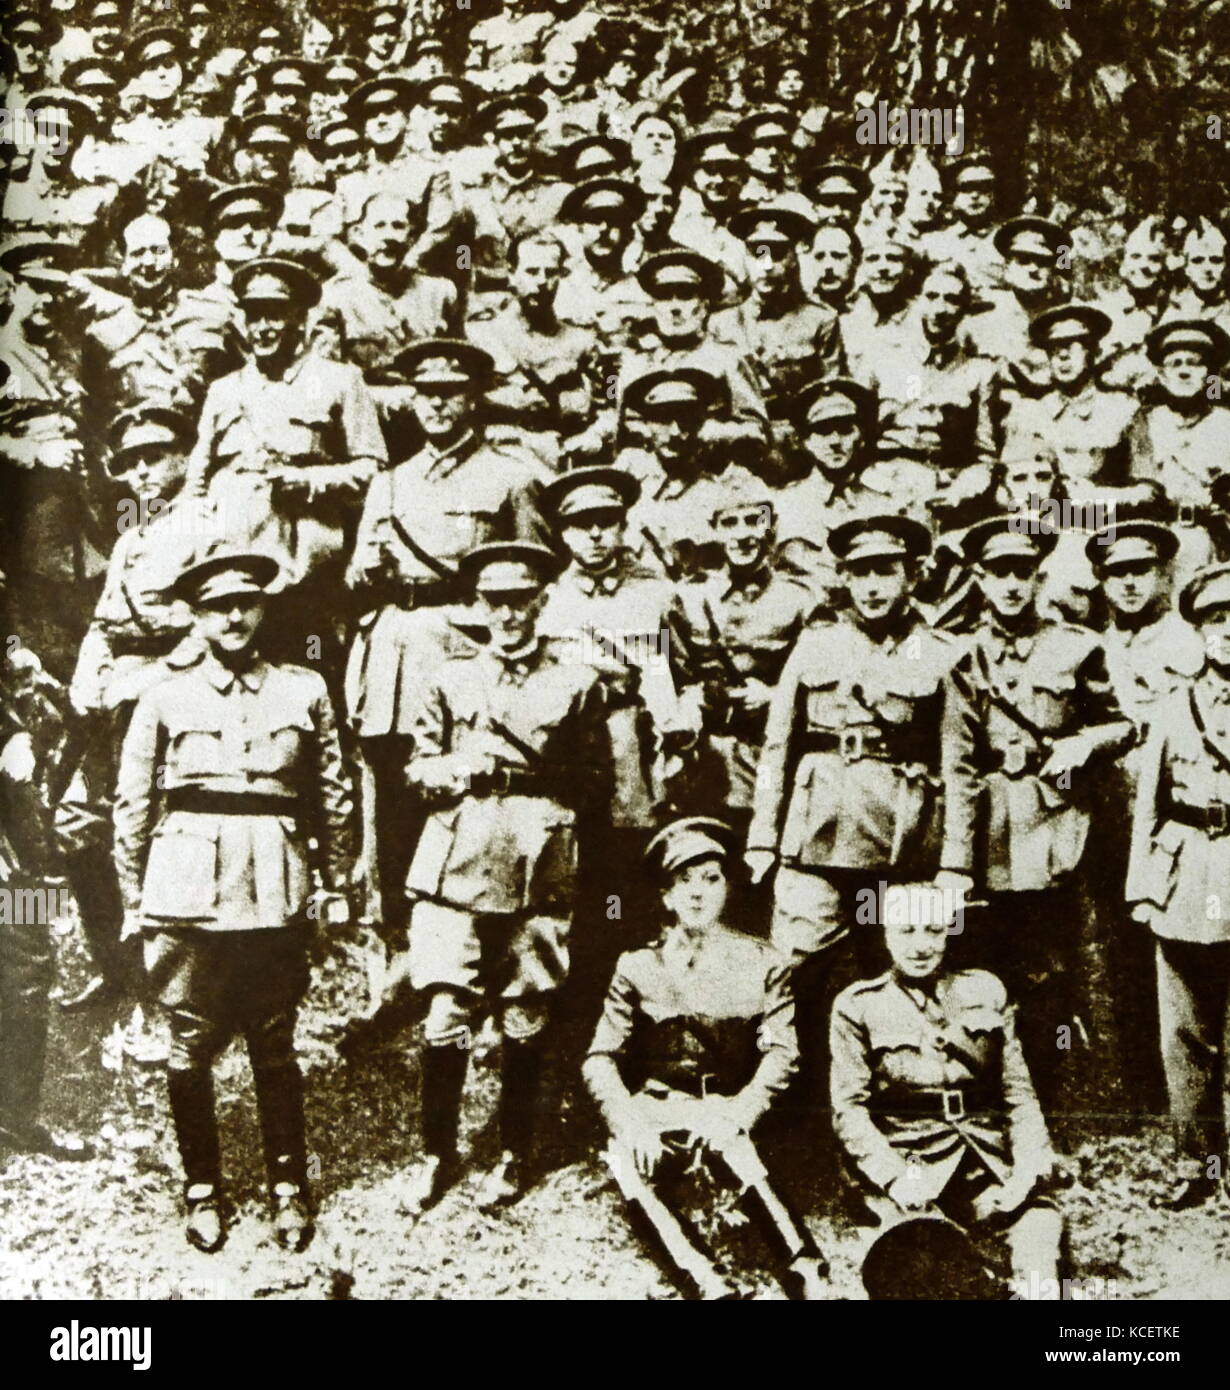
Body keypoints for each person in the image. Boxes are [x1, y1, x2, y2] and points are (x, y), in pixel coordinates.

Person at [112, 545, 356, 1252]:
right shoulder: (162, 694)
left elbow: (333, 798)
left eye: (246, 603)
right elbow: (130, 804)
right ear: (196, 615)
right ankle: (202, 1188)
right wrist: (133, 897)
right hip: (184, 886)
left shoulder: (303, 688)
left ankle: (288, 1187)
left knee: (274, 1043)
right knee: (187, 1048)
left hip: (275, 884)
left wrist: (335, 885)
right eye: (218, 607)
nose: (234, 617)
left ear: (262, 608)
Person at [399, 542, 612, 1215]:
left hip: (536, 862)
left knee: (525, 1015)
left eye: (522, 599)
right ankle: (436, 1154)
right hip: (457, 859)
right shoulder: (450, 676)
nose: (509, 613)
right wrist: (446, 773)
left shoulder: (577, 682)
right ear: (477, 605)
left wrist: (543, 799)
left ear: (542, 602)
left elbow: (598, 780)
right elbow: (416, 764)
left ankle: (514, 1151)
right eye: (495, 600)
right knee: (443, 1017)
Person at [584, 816, 827, 1300]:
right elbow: (599, 1057)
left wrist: (740, 1112)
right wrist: (628, 1120)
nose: (697, 893)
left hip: (724, 1104)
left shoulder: (764, 962)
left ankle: (806, 1271)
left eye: (711, 879)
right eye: (683, 880)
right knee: (625, 1162)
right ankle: (706, 1283)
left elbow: (782, 1051)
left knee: (737, 1151)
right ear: (665, 896)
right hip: (656, 1106)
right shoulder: (637, 966)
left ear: (728, 888)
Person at [943, 513, 1133, 1107]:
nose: (1010, 585)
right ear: (978, 578)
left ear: (1038, 574)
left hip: (1055, 829)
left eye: (1022, 571)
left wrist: (1082, 743)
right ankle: (989, 1093)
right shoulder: (962, 656)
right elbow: (957, 762)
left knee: (1053, 970)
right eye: (997, 573)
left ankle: (1051, 1095)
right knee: (982, 965)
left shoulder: (1077, 645)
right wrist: (956, 860)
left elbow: (1122, 723)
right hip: (988, 832)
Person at [830, 882, 1064, 1299]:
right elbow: (849, 1109)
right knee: (920, 1255)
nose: (920, 945)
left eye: (933, 930)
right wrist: (895, 1178)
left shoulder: (984, 990)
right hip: (910, 1161)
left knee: (1039, 1231)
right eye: (906, 930)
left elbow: (1018, 1092)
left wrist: (1029, 1163)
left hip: (984, 1158)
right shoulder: (857, 1006)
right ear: (885, 932)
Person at [1127, 562, 1230, 1208]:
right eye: (1216, 621)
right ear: (1197, 631)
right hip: (1186, 874)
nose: (1229, 633)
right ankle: (1200, 1164)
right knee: (1185, 1033)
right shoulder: (1174, 705)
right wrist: (1142, 887)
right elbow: (1148, 805)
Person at [0, 632, 96, 1163]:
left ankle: (16, 1119)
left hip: (20, 858)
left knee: (32, 965)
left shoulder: (21, 676)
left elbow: (75, 723)